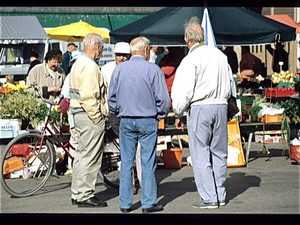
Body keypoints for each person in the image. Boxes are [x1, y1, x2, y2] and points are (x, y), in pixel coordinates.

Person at [171, 17, 235, 209]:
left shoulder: (189, 60)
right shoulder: (220, 56)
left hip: (200, 107)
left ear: (187, 39)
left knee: (200, 154)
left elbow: (184, 90)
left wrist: (178, 113)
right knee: (219, 152)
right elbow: (231, 86)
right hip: (221, 106)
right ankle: (220, 193)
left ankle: (209, 197)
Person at [109, 36, 170, 213]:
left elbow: (111, 98)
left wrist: (117, 111)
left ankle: (125, 204)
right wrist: (160, 114)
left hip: (126, 119)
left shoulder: (119, 70)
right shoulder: (153, 69)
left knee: (127, 161)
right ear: (145, 50)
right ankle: (148, 203)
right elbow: (163, 100)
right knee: (147, 162)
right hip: (148, 119)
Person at [69, 33, 109, 208]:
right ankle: (85, 194)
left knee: (81, 155)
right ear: (98, 47)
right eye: (101, 47)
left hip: (78, 113)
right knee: (90, 157)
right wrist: (97, 118)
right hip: (88, 115)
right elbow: (89, 97)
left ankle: (77, 193)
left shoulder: (78, 63)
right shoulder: (90, 66)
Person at [101, 42, 142, 194]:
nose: (122, 58)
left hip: (132, 111)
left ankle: (140, 181)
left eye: (125, 55)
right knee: (127, 148)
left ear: (130, 56)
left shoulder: (134, 69)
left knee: (136, 148)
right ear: (114, 55)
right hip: (115, 114)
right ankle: (130, 183)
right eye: (119, 55)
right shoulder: (106, 70)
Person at [60, 50, 82, 176]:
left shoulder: (70, 76)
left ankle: (72, 166)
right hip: (80, 112)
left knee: (75, 140)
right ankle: (74, 166)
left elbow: (64, 94)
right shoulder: (81, 74)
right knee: (77, 140)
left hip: (74, 113)